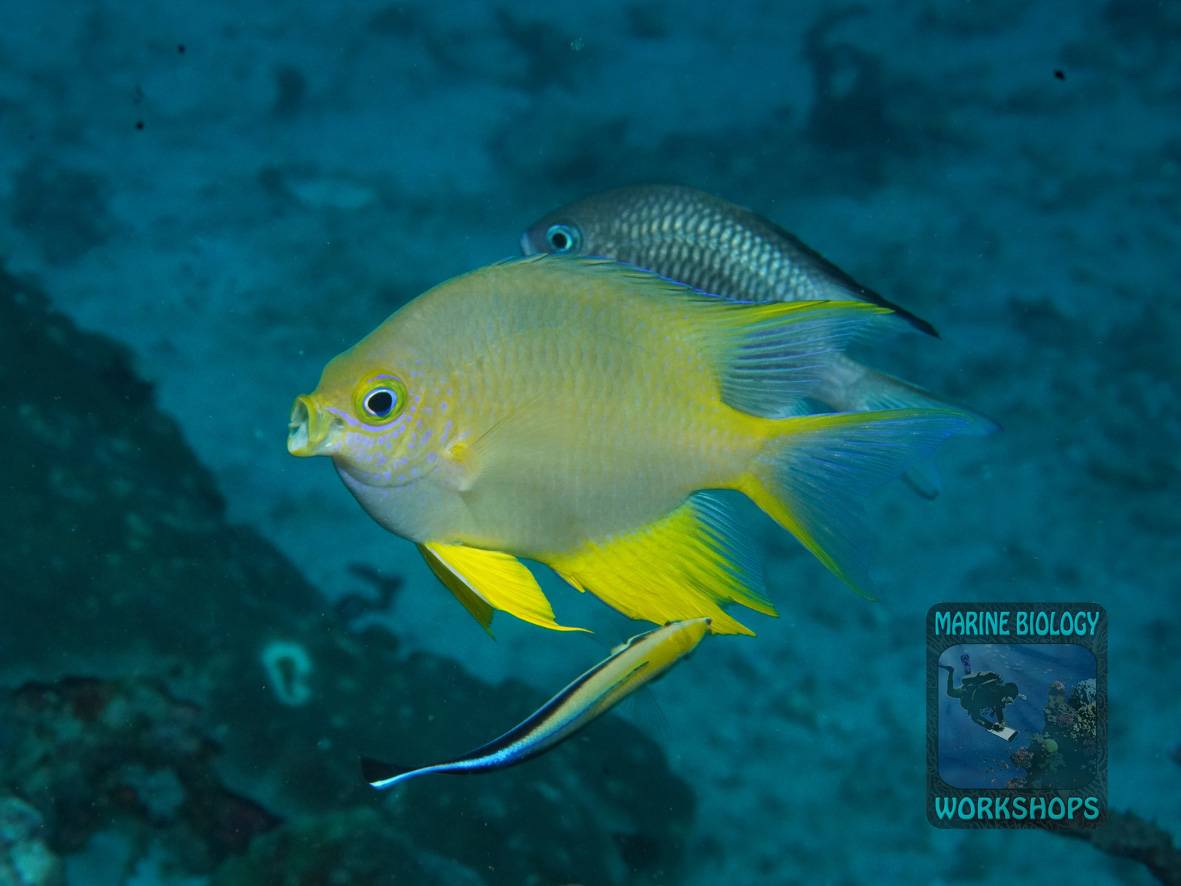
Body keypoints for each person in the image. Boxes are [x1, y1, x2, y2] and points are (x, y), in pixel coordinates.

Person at [940, 664, 1019, 731]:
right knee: (950, 692)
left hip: (973, 696)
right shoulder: (991, 690)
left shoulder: (999, 695)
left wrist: (1001, 723)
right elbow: (976, 715)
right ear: (1006, 693)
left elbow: (998, 709)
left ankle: (966, 674)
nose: (1007, 703)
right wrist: (991, 726)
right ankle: (951, 671)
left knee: (975, 714)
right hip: (967, 693)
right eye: (1008, 700)